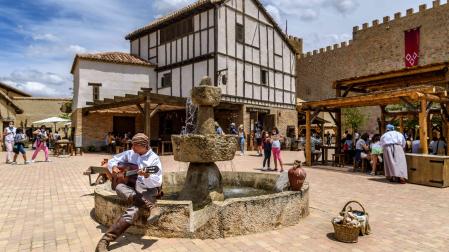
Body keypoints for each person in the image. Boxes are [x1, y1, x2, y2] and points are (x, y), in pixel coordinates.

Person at [95, 133, 163, 252]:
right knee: (119, 187)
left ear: (144, 145)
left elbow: (156, 183)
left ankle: (105, 240)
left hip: (149, 188)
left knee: (133, 210)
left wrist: (147, 175)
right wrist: (114, 167)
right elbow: (113, 160)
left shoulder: (154, 159)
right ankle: (151, 206)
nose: (132, 148)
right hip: (134, 186)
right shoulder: (131, 153)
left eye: (135, 145)